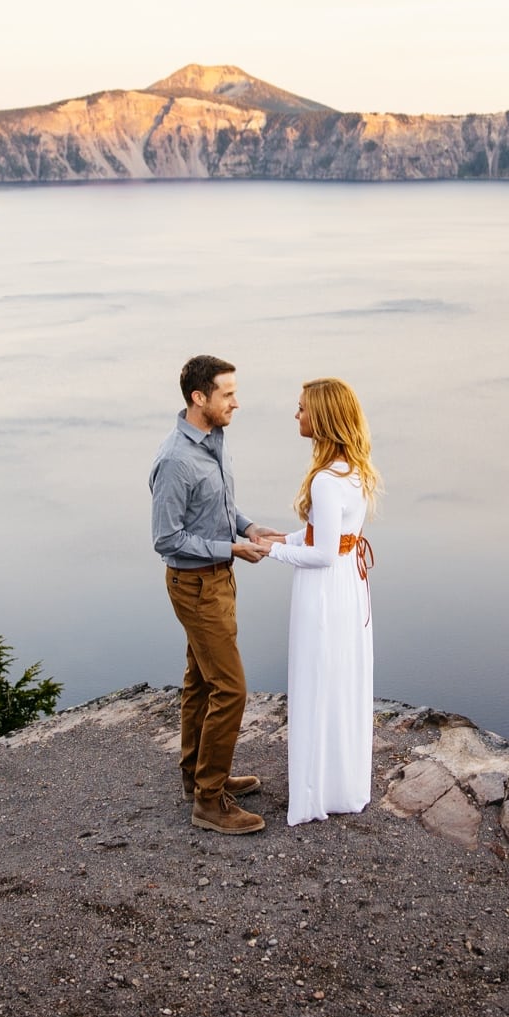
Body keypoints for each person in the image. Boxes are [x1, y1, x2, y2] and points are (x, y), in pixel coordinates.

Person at [149, 355, 284, 836]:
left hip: (216, 578)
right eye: (227, 394)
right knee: (231, 688)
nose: (236, 402)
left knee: (202, 683)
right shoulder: (175, 460)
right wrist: (228, 546)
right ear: (198, 398)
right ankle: (209, 801)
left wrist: (246, 526)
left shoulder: (210, 442)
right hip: (196, 584)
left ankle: (198, 777)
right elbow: (166, 540)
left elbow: (214, 506)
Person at [263, 378, 381, 825]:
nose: (296, 415)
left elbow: (321, 554)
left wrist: (269, 550)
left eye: (302, 409)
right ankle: (343, 784)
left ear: (323, 417)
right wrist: (280, 535)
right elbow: (336, 537)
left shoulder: (325, 482)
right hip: (349, 584)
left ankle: (317, 792)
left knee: (318, 679)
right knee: (342, 681)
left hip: (325, 590)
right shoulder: (352, 470)